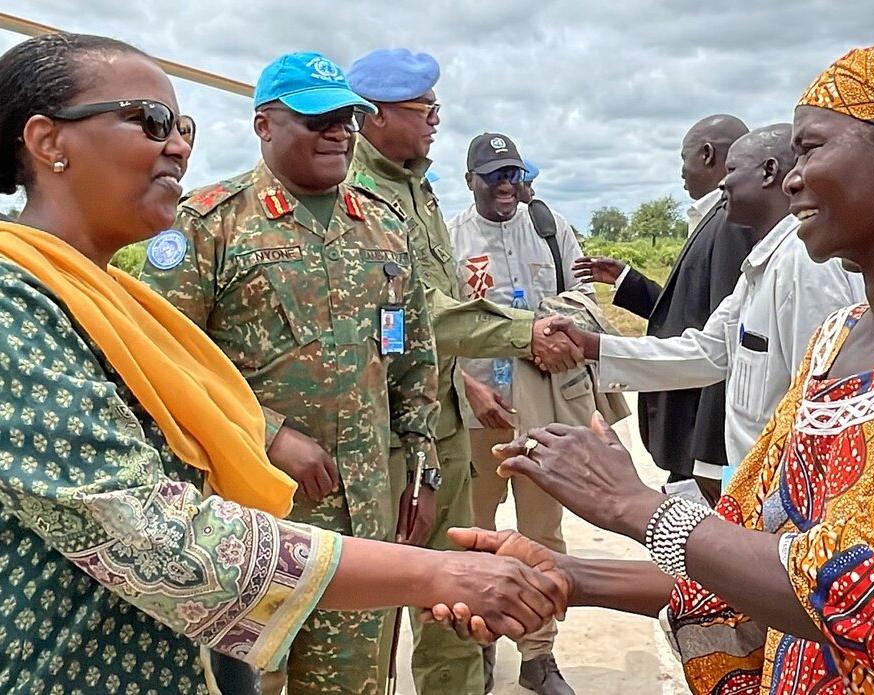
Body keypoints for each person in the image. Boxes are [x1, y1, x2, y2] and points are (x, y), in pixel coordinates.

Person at [444, 28, 874, 695]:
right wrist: (570, 574)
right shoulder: (839, 336)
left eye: (811, 146)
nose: (791, 176)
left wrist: (633, 504)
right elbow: (753, 558)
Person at [0, 32, 567, 695]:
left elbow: (414, 355)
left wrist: (417, 465)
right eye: (151, 121)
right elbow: (152, 530)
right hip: (205, 560)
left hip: (351, 509)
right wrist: (427, 568)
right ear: (46, 142)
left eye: (182, 125)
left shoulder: (108, 297)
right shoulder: (38, 296)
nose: (178, 143)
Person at [139, 51, 441, 694]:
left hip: (364, 515)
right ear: (265, 124)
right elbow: (158, 363)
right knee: (248, 682)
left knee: (354, 684)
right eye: (317, 119)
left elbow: (415, 361)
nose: (339, 132)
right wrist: (267, 432)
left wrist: (422, 472)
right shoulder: (208, 225)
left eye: (347, 119)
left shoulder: (386, 226)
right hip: (253, 518)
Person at [344, 48, 582, 695]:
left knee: (455, 585)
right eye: (423, 110)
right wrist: (516, 335)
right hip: (389, 432)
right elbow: (421, 313)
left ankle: (510, 666)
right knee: (379, 600)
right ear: (375, 117)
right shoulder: (356, 196)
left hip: (444, 422)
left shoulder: (418, 190)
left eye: (435, 109)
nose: (434, 120)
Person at [554, 123, 864, 471]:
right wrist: (593, 346)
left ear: (769, 172)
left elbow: (820, 403)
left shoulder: (803, 265)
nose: (722, 183)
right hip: (751, 481)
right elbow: (708, 352)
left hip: (784, 488)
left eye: (732, 170)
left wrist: (710, 463)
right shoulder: (763, 264)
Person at [448, 133, 588, 695]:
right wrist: (464, 384)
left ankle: (538, 654)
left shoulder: (550, 229)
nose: (506, 185)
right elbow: (431, 324)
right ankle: (477, 643)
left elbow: (583, 298)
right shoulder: (449, 237)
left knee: (544, 532)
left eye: (512, 174)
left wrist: (555, 330)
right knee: (474, 531)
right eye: (492, 176)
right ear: (470, 181)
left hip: (546, 405)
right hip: (477, 408)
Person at [572, 115, 756, 502]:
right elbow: (698, 314)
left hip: (699, 437)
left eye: (683, 158)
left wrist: (708, 455)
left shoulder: (732, 221)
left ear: (707, 155)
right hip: (689, 426)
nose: (682, 172)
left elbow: (726, 344)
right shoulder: (714, 217)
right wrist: (630, 283)